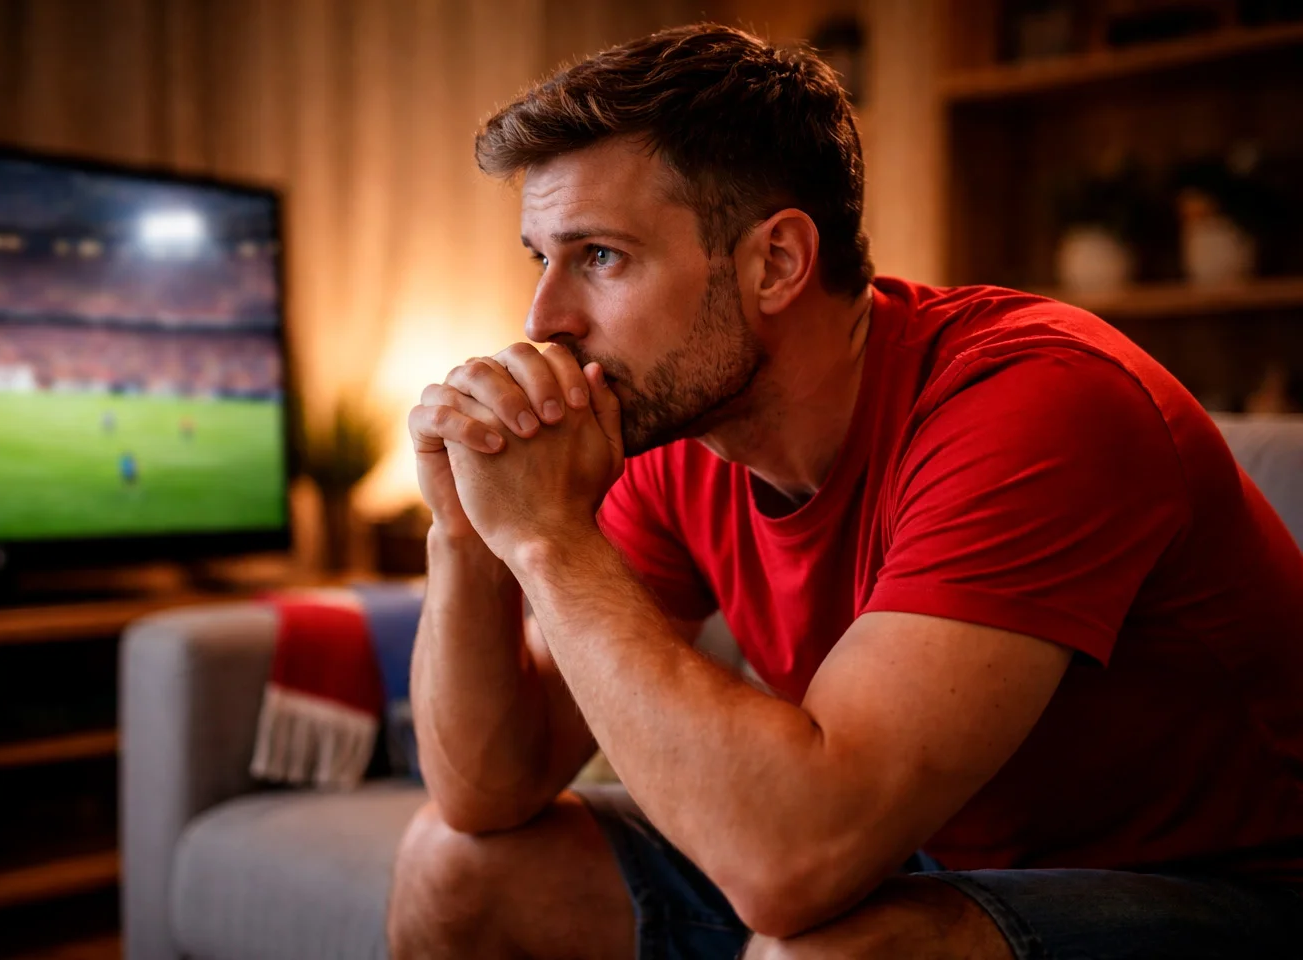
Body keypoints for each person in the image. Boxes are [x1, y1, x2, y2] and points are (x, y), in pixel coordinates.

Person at [391, 23, 1303, 960]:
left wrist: (548, 539)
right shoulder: (676, 430)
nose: (544, 319)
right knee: (455, 869)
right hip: (933, 850)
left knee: (826, 954)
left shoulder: (1035, 404)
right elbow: (484, 794)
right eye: (540, 258)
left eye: (601, 257)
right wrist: (466, 529)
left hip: (1235, 889)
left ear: (777, 262)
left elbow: (790, 863)